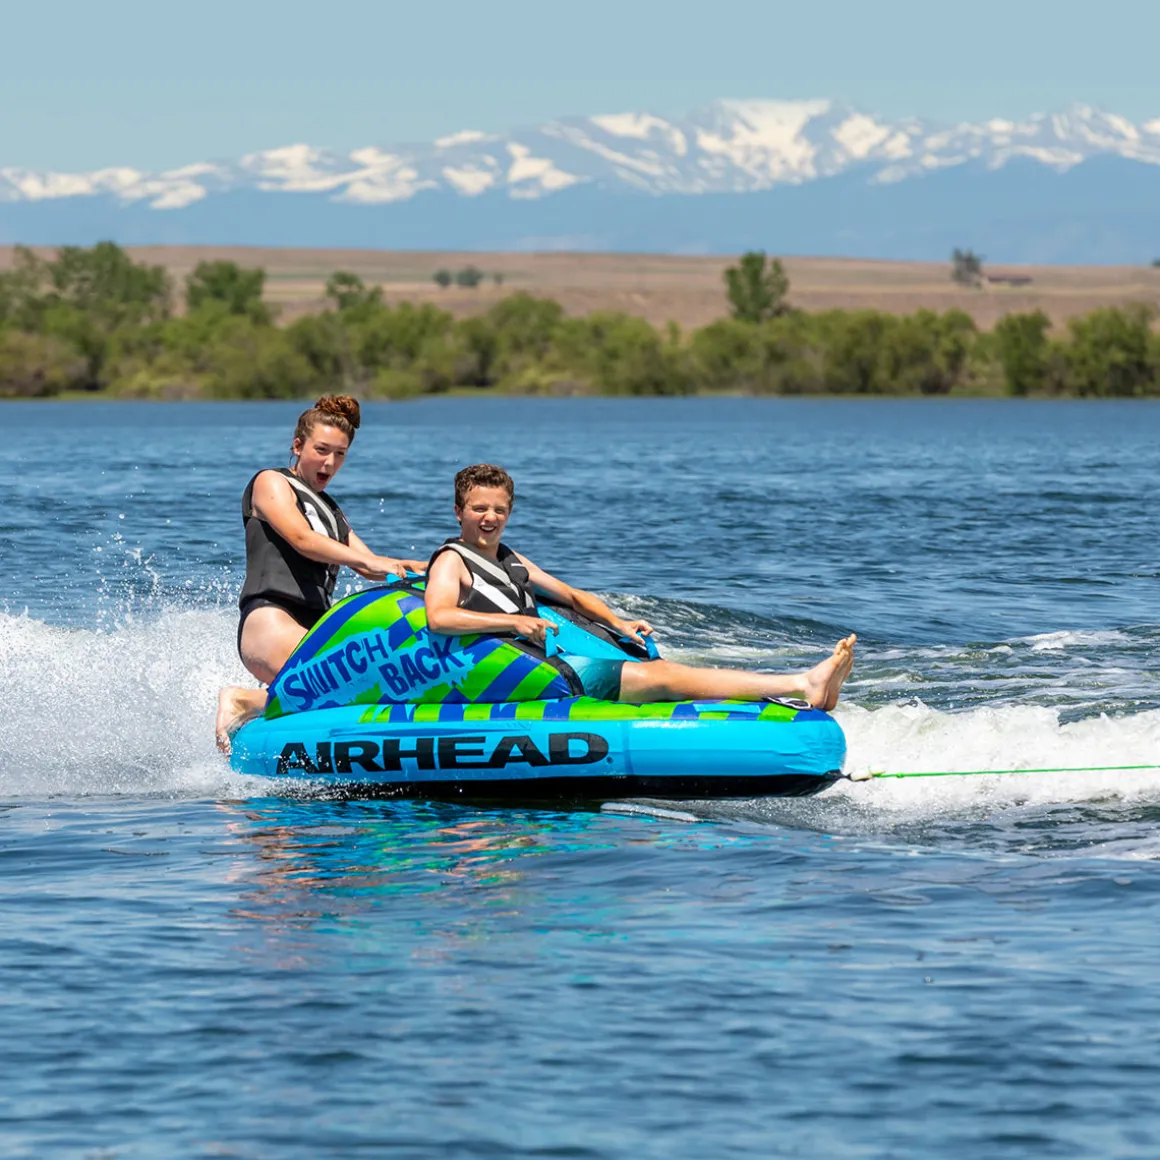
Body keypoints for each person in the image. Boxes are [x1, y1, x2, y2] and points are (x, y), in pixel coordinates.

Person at [424, 464, 855, 708]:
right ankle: (801, 685)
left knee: (661, 673)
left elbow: (572, 597)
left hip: (547, 664)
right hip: (523, 675)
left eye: (499, 510)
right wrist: (515, 623)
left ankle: (788, 690)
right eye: (479, 508)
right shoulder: (451, 561)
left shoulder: (509, 558)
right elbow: (439, 617)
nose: (490, 518)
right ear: (459, 511)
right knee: (663, 677)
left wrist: (619, 623)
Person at [215, 395, 425, 751]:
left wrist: (415, 568)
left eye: (340, 454)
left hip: (315, 629)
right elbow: (302, 539)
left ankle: (264, 715)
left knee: (376, 679)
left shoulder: (331, 511)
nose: (330, 463)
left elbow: (366, 563)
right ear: (298, 446)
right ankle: (241, 700)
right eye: (322, 450)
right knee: (351, 684)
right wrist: (377, 564)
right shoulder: (271, 482)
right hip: (271, 620)